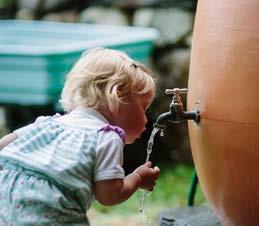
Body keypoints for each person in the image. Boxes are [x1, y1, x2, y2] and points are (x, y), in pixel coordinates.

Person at [0, 47, 160, 225]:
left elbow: (2, 146)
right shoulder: (106, 137)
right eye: (144, 108)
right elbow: (109, 195)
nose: (147, 119)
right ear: (118, 97)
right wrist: (138, 178)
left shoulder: (48, 123)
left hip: (7, 201)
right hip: (51, 209)